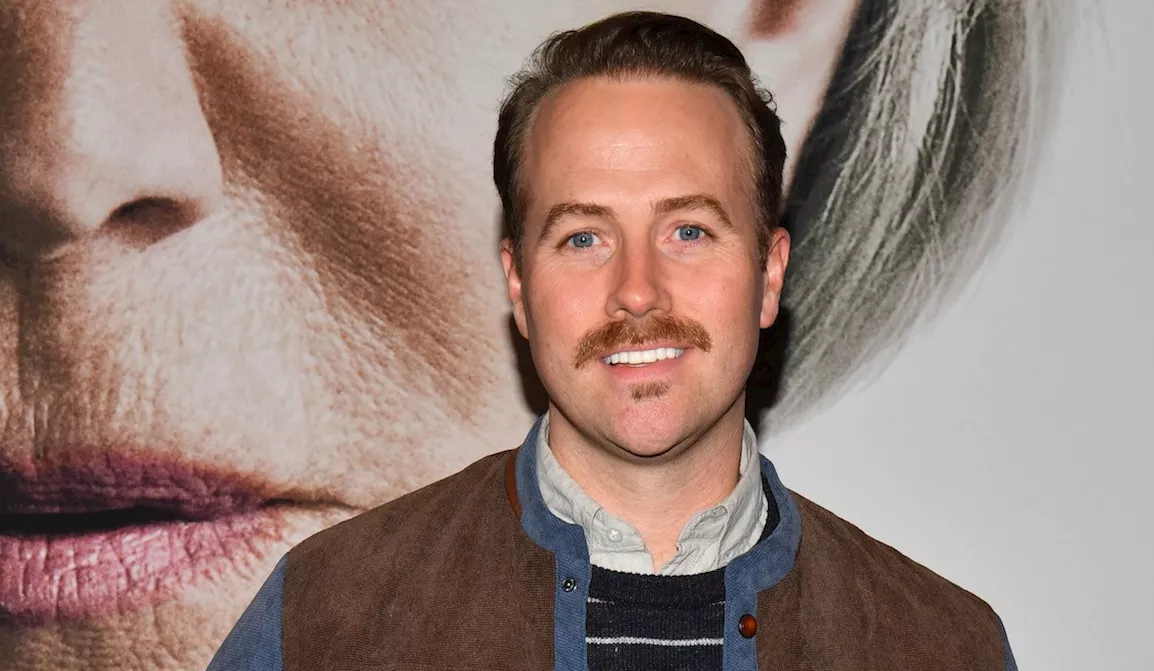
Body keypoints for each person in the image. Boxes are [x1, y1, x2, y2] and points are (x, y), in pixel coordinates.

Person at [0, 2, 1054, 669]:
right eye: (583, 237)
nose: (66, 154)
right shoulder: (316, 600)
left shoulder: (930, 642)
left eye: (684, 232)